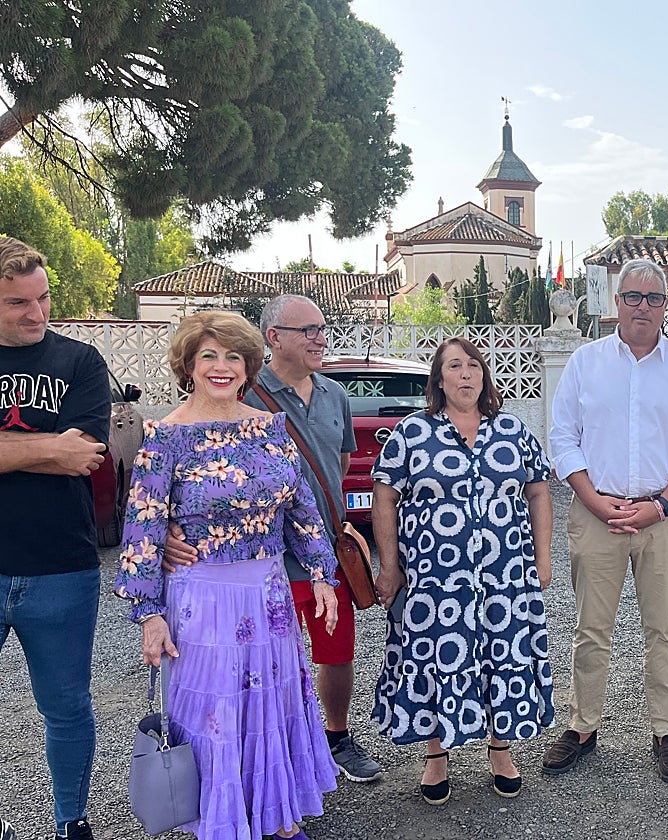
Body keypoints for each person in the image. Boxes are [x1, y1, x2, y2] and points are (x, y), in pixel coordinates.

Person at [114, 311, 340, 840]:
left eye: (233, 356)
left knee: (274, 703)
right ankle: (224, 824)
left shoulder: (270, 427)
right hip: (202, 600)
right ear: (188, 365)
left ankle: (279, 819)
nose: (222, 367)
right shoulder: (163, 438)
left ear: (248, 366)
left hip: (268, 597)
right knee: (216, 715)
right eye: (209, 356)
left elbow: (300, 506)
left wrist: (322, 574)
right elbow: (142, 528)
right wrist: (147, 615)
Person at [163, 295, 383, 784]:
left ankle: (335, 736)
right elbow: (168, 491)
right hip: (256, 562)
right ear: (274, 338)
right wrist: (168, 533)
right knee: (250, 670)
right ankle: (247, 772)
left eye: (322, 327)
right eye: (306, 330)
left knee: (332, 650)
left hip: (319, 550)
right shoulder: (245, 397)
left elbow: (340, 468)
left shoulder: (335, 396)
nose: (319, 337)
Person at [542, 258, 668, 784]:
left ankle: (666, 730)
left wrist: (661, 504)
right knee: (591, 628)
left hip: (663, 515)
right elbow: (562, 437)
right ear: (616, 302)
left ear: (666, 305)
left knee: (665, 629)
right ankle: (582, 726)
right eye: (633, 297)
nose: (643, 307)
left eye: (654, 299)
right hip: (597, 513)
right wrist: (593, 500)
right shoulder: (585, 363)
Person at [372, 337, 554, 804]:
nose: (466, 374)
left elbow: (537, 493)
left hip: (504, 573)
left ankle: (500, 748)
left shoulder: (513, 431)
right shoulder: (412, 433)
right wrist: (389, 567)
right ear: (439, 377)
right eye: (455, 366)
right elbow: (385, 499)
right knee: (439, 656)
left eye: (474, 365)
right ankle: (436, 755)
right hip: (435, 577)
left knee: (502, 653)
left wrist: (543, 556)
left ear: (484, 375)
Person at [0, 237, 109, 840]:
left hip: (63, 567)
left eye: (43, 298)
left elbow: (85, 457)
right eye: (19, 302)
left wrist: (14, 454)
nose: (37, 312)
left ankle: (73, 820)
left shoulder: (81, 361)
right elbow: (62, 451)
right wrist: (48, 445)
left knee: (67, 708)